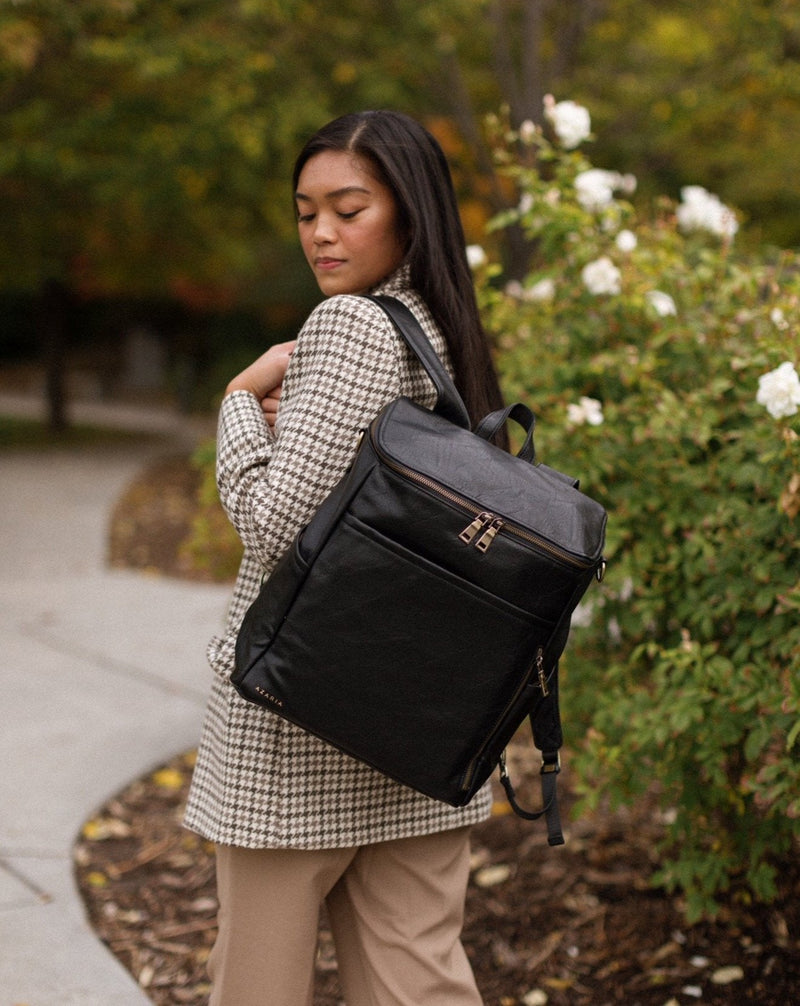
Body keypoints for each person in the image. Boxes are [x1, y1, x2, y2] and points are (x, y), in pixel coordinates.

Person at [184, 109, 507, 1006]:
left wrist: (239, 403)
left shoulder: (351, 328)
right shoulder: (443, 331)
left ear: (408, 211)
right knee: (418, 983)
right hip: (420, 723)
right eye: (305, 211)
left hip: (297, 724)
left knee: (257, 986)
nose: (321, 232)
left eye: (348, 207)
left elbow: (274, 522)